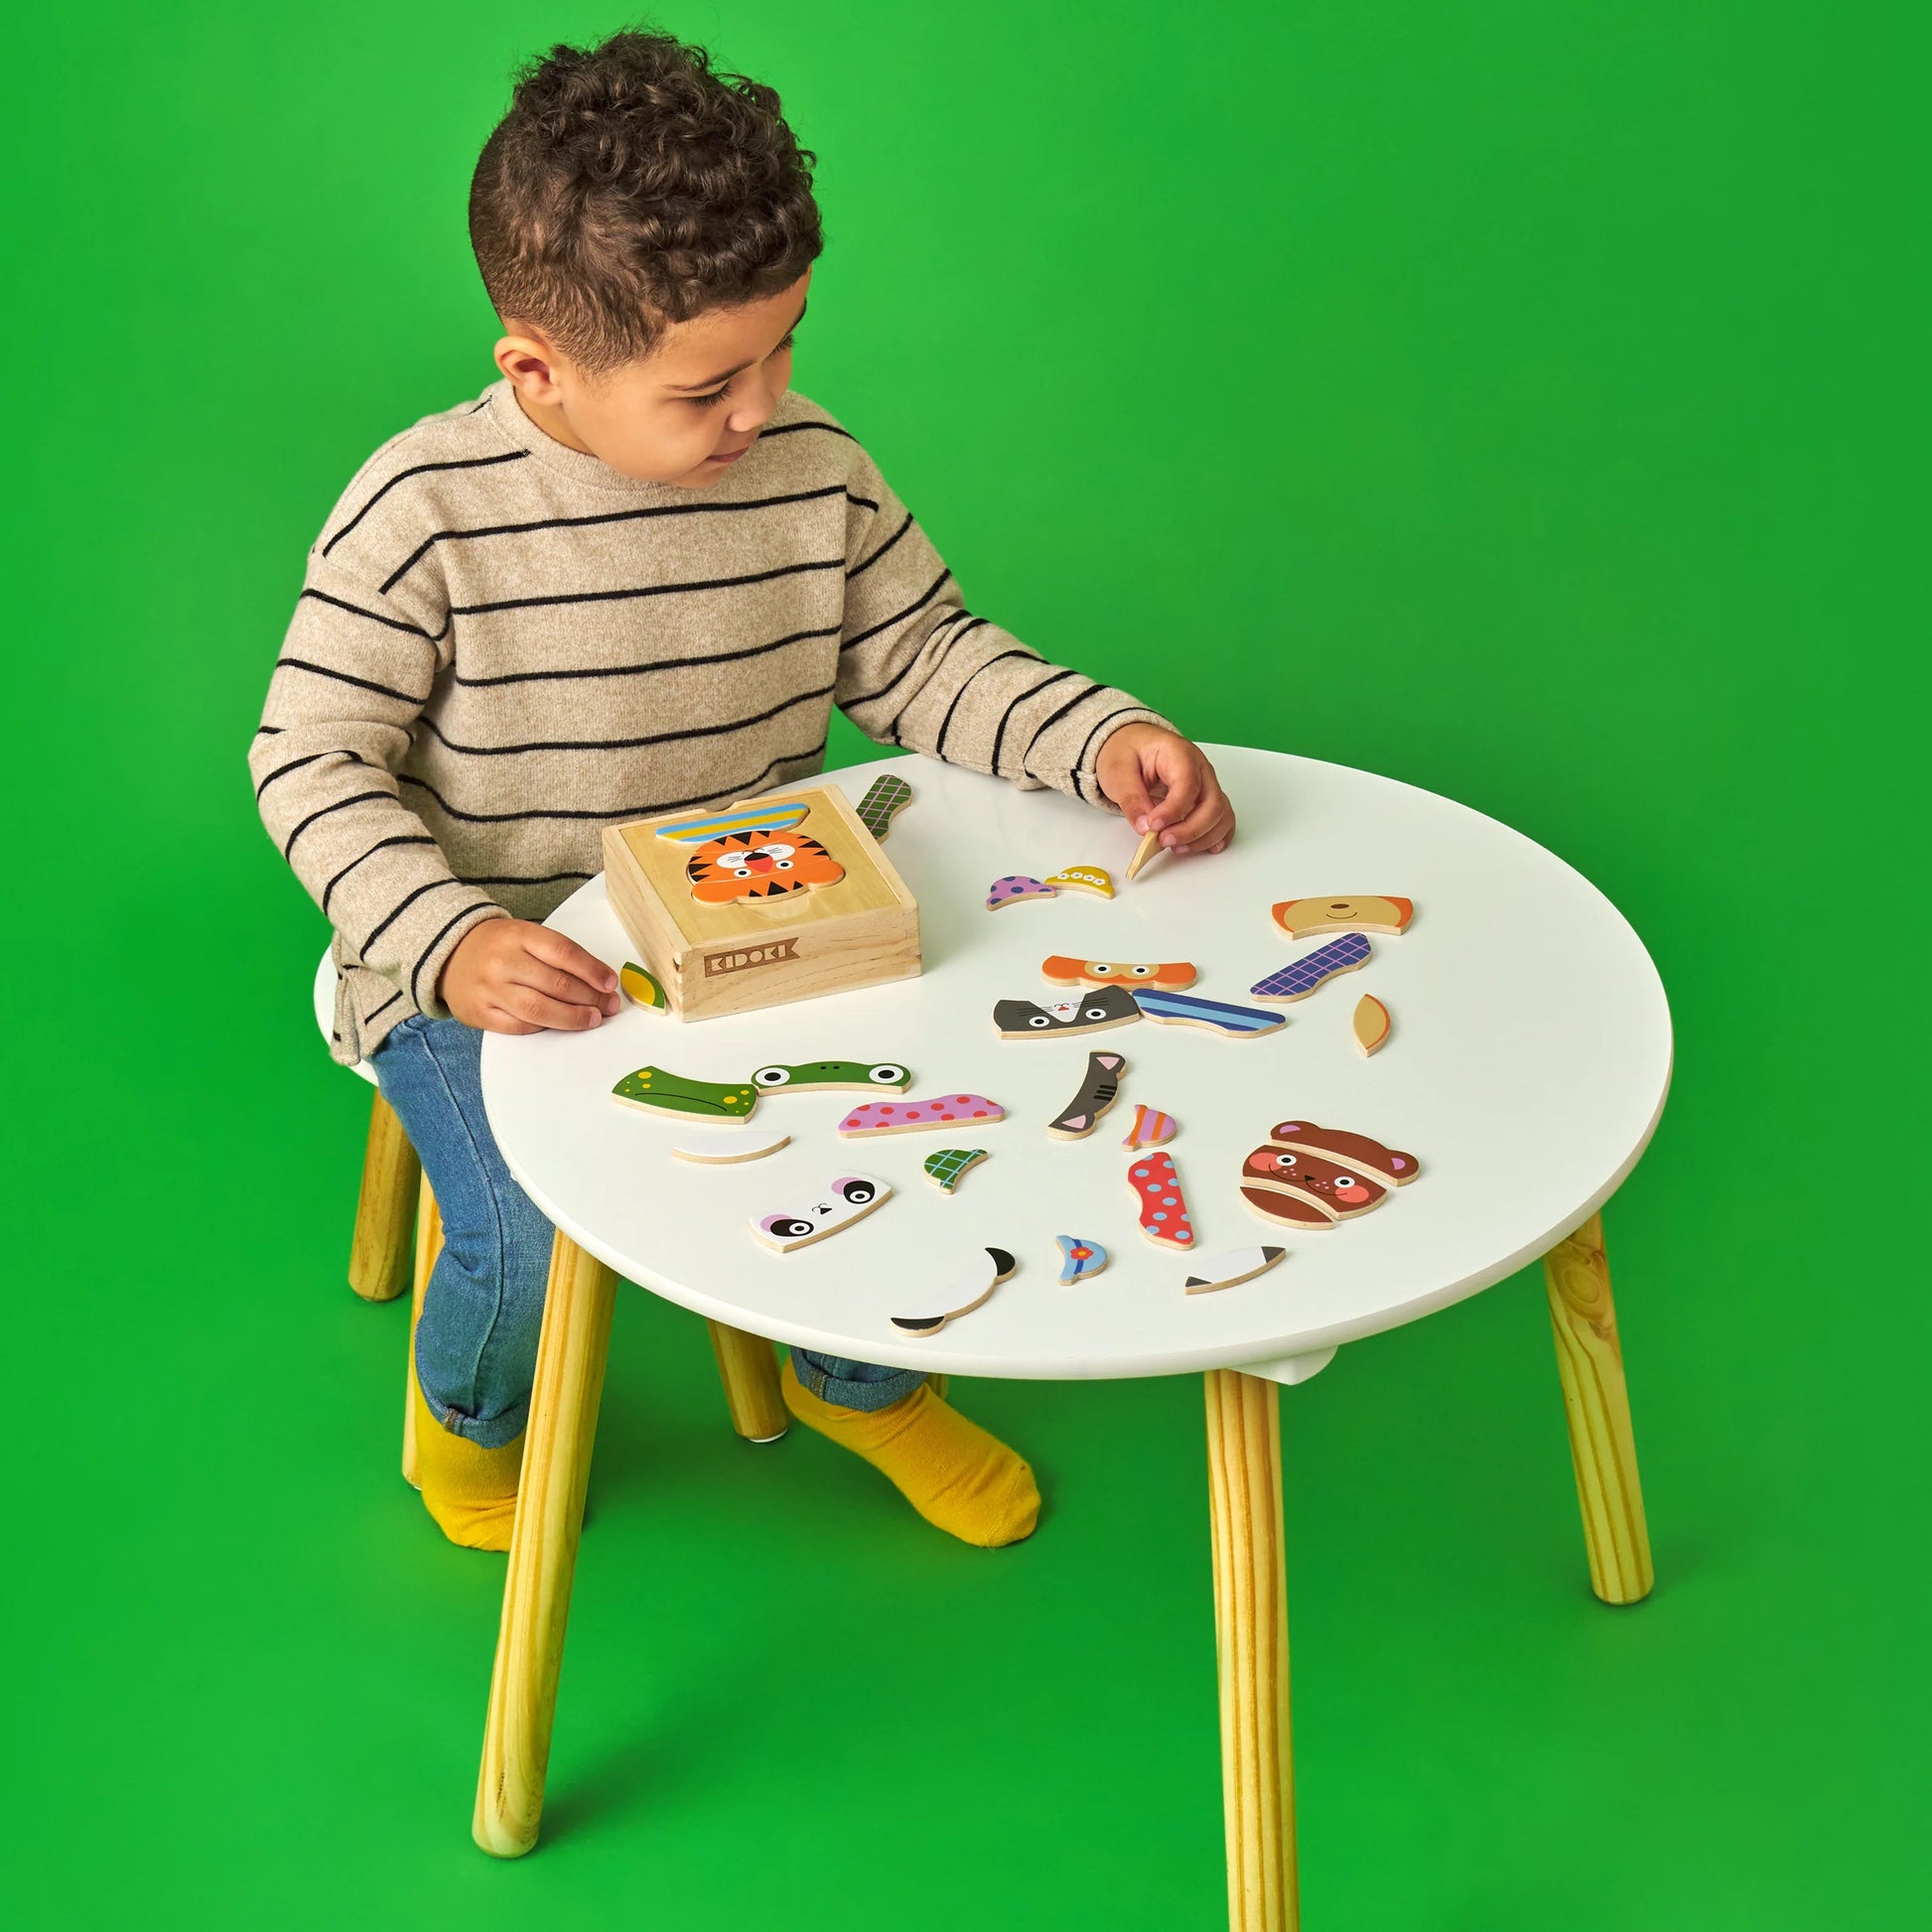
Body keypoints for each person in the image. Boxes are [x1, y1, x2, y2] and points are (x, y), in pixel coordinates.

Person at [250, 28, 1234, 1556]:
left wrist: (1094, 737)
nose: (761, 408)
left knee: (912, 1126)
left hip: (757, 929)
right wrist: (444, 938)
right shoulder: (422, 513)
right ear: (536, 369)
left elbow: (922, 654)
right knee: (525, 1233)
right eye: (708, 384)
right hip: (494, 964)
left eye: (783, 350)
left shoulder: (812, 468)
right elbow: (309, 756)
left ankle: (860, 1379)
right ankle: (468, 1423)